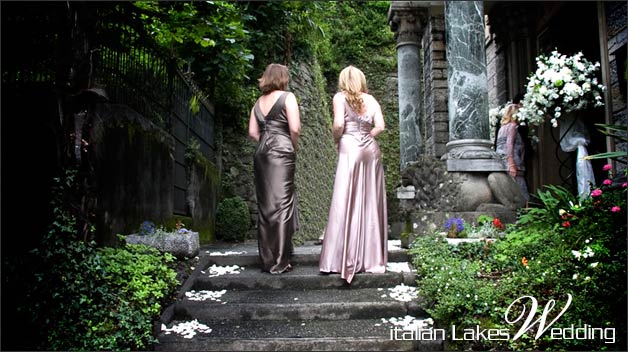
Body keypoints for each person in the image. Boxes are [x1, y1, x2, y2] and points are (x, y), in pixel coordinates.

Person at [319, 65, 388, 284]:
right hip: (370, 149)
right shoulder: (372, 99)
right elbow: (381, 126)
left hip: (349, 147)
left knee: (345, 198)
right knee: (368, 201)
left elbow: (339, 124)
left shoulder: (340, 98)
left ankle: (340, 258)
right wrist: (367, 134)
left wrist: (337, 138)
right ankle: (371, 257)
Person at [248, 63, 301, 274]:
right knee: (283, 205)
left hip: (262, 153)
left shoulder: (258, 102)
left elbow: (252, 133)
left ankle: (267, 259)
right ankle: (281, 261)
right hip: (282, 151)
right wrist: (291, 146)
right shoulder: (288, 97)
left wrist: (266, 142)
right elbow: (295, 128)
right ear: (283, 78)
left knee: (266, 206)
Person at [495, 103, 530, 202]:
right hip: (514, 162)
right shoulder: (513, 126)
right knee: (521, 191)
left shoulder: (502, 128)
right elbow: (509, 144)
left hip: (502, 162)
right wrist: (512, 164)